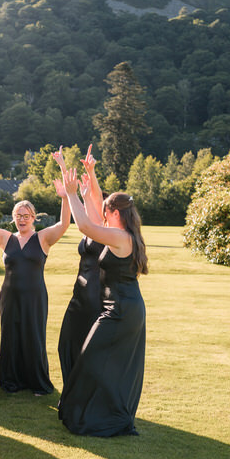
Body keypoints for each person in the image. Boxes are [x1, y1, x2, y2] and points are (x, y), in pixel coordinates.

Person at [59, 167, 148, 436]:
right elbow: (96, 212)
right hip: (123, 307)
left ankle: (102, 416)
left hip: (120, 310)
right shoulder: (124, 234)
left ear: (116, 213)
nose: (103, 216)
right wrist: (91, 181)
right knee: (102, 363)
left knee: (90, 360)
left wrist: (72, 194)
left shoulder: (120, 237)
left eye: (107, 212)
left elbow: (86, 226)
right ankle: (104, 411)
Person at [0, 174, 71, 395]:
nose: (22, 219)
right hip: (10, 296)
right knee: (11, 336)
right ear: (13, 218)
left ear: (33, 217)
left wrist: (65, 197)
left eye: (26, 216)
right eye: (18, 216)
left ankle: (37, 383)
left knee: (33, 336)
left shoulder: (43, 238)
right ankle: (11, 382)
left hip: (35, 296)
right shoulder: (6, 238)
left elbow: (64, 224)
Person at [53, 146, 107, 405]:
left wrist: (92, 174)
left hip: (96, 294)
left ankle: (86, 395)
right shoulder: (88, 225)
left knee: (88, 347)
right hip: (79, 294)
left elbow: (94, 200)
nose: (87, 196)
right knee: (67, 344)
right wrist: (63, 165)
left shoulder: (101, 229)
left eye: (90, 195)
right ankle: (73, 391)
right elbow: (79, 197)